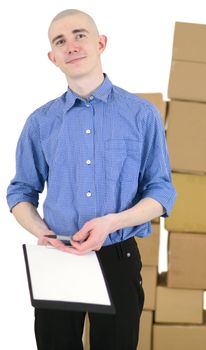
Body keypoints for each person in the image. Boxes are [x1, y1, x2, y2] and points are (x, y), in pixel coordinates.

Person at [6, 8, 176, 350]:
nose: (71, 46)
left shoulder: (141, 115)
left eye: (80, 35)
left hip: (117, 258)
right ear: (53, 57)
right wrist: (44, 233)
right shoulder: (40, 122)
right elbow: (20, 192)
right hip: (57, 257)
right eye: (60, 41)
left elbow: (161, 192)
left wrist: (112, 223)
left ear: (100, 43)